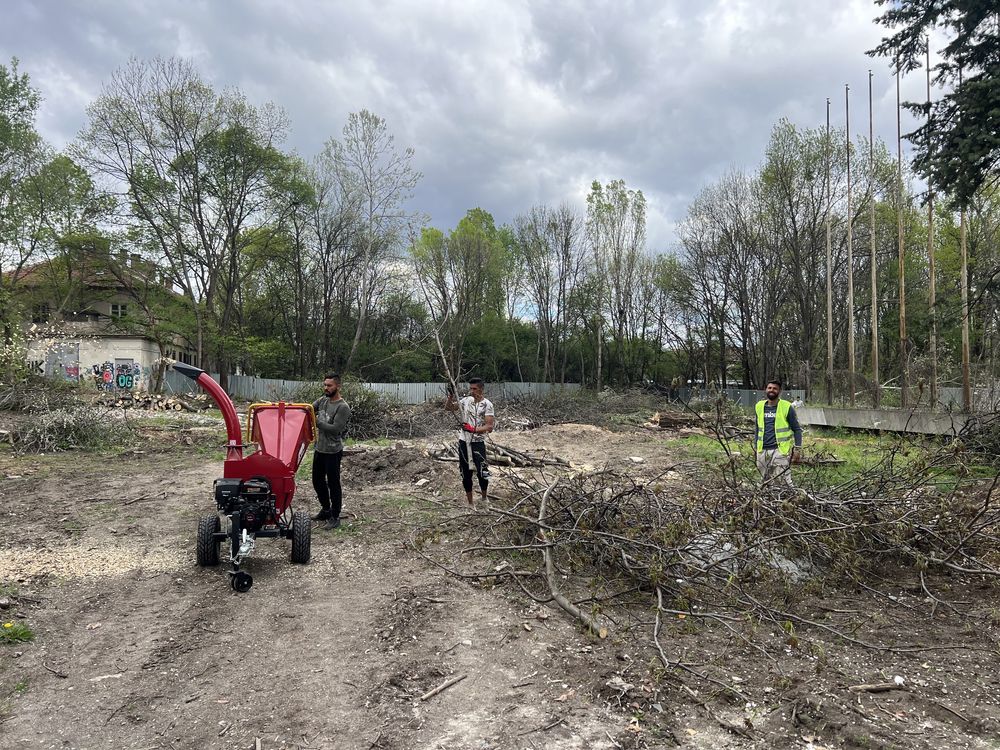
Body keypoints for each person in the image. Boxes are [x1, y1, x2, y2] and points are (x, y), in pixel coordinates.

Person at [445, 377, 495, 507]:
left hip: (478, 443)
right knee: (465, 472)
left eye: (475, 389)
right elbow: (449, 408)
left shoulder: (487, 404)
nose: (472, 391)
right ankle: (470, 503)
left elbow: (489, 427)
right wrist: (450, 398)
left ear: (481, 389)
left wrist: (473, 429)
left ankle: (484, 498)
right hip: (464, 441)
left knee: (483, 471)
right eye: (471, 388)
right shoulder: (466, 401)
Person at [312, 373, 352, 529]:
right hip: (319, 449)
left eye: (329, 385)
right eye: (325, 385)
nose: (326, 388)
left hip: (333, 451)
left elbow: (335, 429)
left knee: (333, 484)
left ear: (338, 386)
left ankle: (335, 516)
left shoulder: (343, 407)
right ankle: (325, 509)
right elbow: (308, 408)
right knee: (317, 481)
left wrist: (316, 422)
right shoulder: (322, 401)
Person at [754, 379, 803, 488]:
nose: (772, 390)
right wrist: (755, 447)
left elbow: (797, 429)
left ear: (780, 391)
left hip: (780, 451)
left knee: (782, 482)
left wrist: (797, 449)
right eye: (770, 388)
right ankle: (767, 503)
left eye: (775, 388)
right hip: (762, 450)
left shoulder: (786, 407)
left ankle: (787, 502)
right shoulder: (759, 406)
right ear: (765, 390)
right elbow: (757, 428)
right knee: (763, 481)